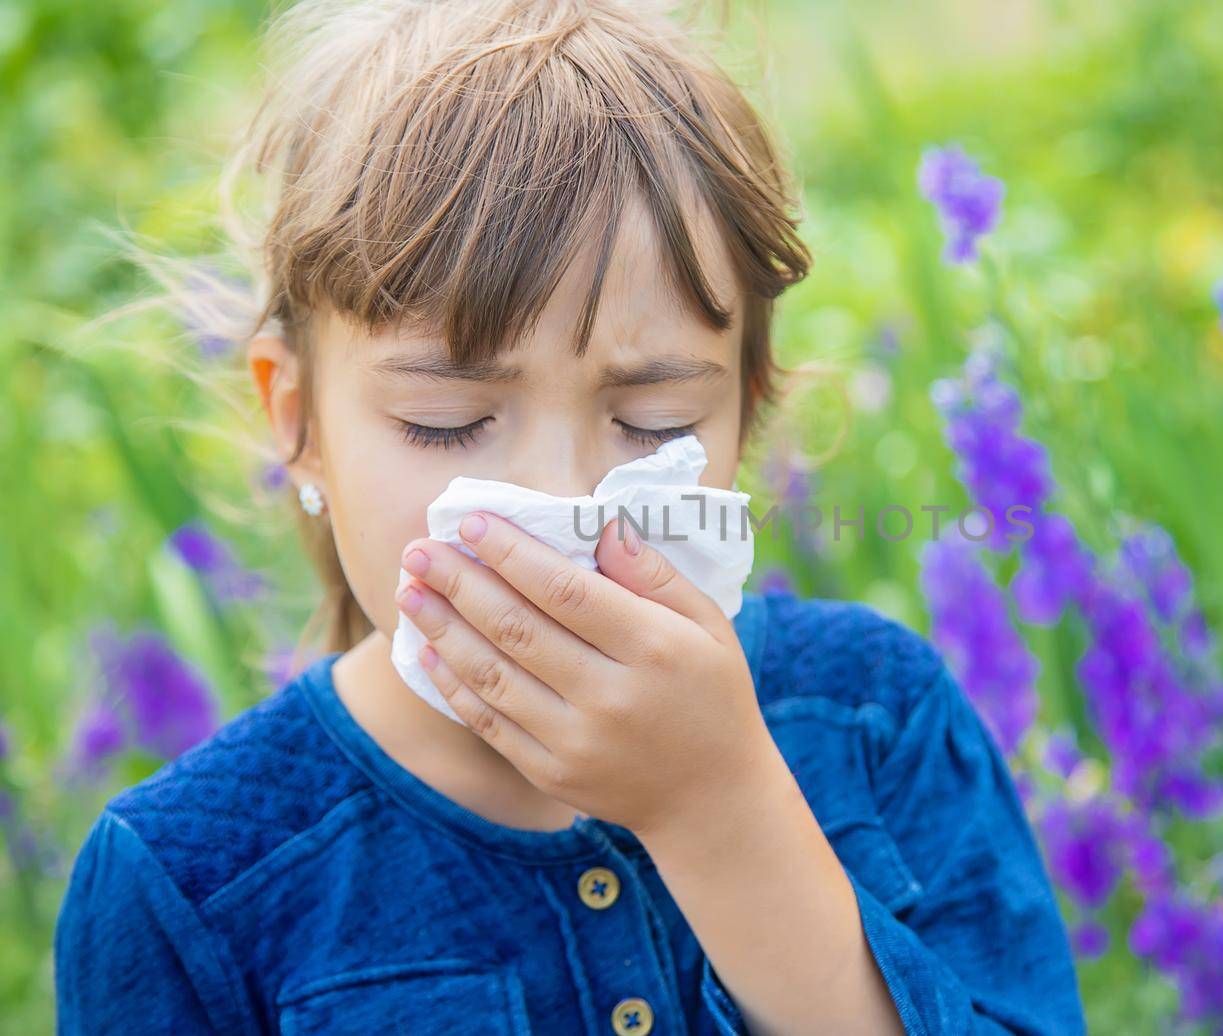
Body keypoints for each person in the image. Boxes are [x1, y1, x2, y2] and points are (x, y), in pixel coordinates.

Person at [53, 1, 1086, 1032]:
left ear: (744, 413)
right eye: (447, 422)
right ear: (301, 419)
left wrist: (718, 810)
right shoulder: (192, 879)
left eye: (650, 420)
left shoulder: (874, 717)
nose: (560, 500)